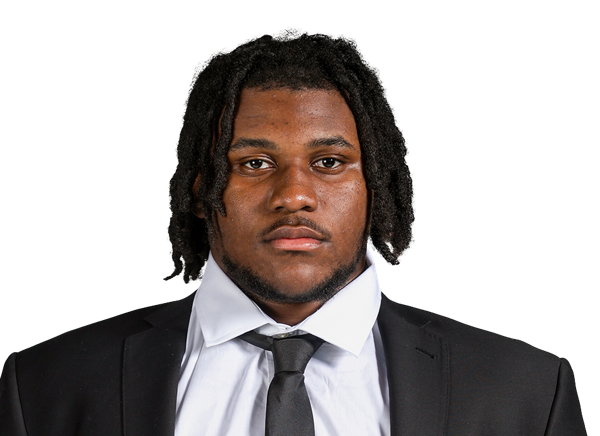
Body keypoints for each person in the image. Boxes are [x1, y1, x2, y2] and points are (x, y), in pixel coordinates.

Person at [0, 28, 586, 435]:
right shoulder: (46, 384)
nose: (294, 195)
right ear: (201, 190)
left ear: (376, 185)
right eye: (255, 163)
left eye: (329, 162)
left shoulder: (528, 391)